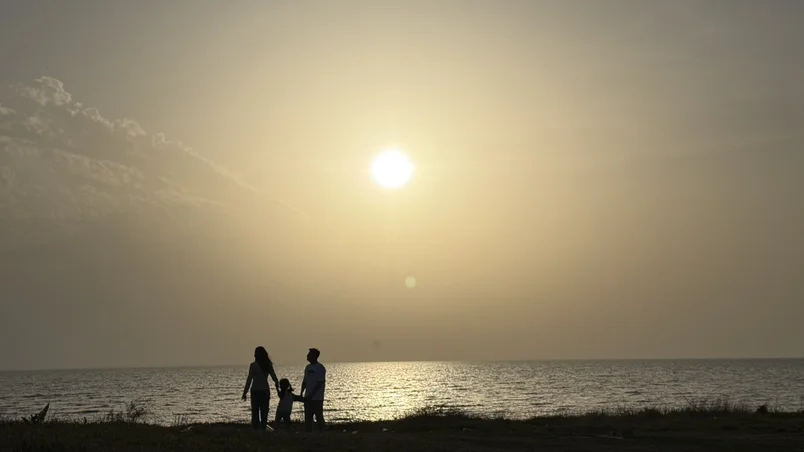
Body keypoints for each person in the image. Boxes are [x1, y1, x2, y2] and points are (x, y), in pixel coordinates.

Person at [242, 346, 280, 430]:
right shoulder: (268, 365)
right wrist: (278, 387)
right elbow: (274, 377)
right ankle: (263, 429)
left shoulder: (253, 365)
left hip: (255, 391)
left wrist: (245, 393)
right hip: (265, 390)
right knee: (264, 412)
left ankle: (255, 429)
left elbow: (249, 380)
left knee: (255, 412)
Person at [300, 347, 326, 432]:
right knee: (308, 417)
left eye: (309, 354)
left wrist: (311, 395)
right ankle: (308, 433)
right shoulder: (307, 367)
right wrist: (301, 393)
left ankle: (321, 433)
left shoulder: (320, 368)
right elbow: (304, 381)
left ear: (314, 356)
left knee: (319, 416)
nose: (307, 356)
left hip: (317, 398)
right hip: (307, 397)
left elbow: (319, 384)